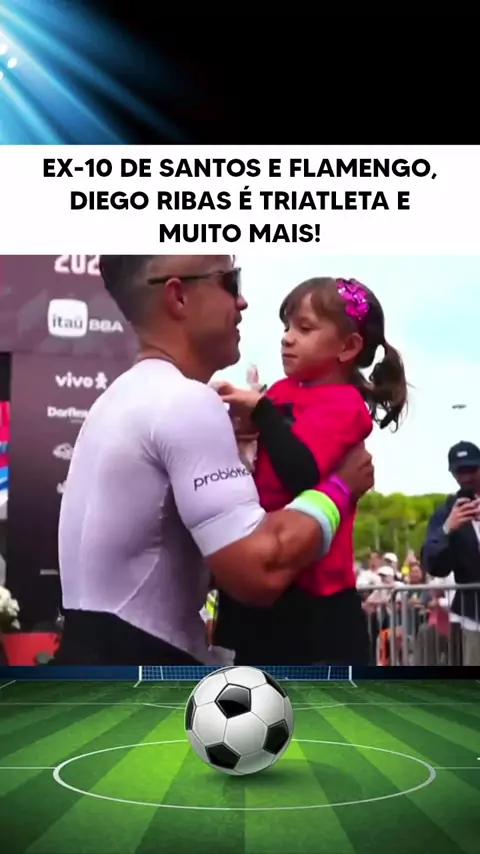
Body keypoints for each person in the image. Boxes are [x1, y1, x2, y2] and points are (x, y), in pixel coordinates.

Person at [53, 256, 374, 666]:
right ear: (178, 297)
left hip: (99, 660)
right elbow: (260, 572)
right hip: (144, 672)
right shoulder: (184, 401)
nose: (242, 302)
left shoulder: (121, 397)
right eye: (229, 282)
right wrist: (341, 487)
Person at [213, 276, 408, 665]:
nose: (287, 338)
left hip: (315, 596)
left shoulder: (345, 404)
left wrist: (263, 412)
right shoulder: (280, 391)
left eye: (304, 328)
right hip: (263, 573)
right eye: (287, 326)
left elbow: (301, 473)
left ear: (348, 346)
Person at [422, 441, 480, 666]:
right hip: (473, 619)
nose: (466, 478)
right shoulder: (447, 511)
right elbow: (434, 564)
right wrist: (447, 529)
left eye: (472, 469)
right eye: (459, 471)